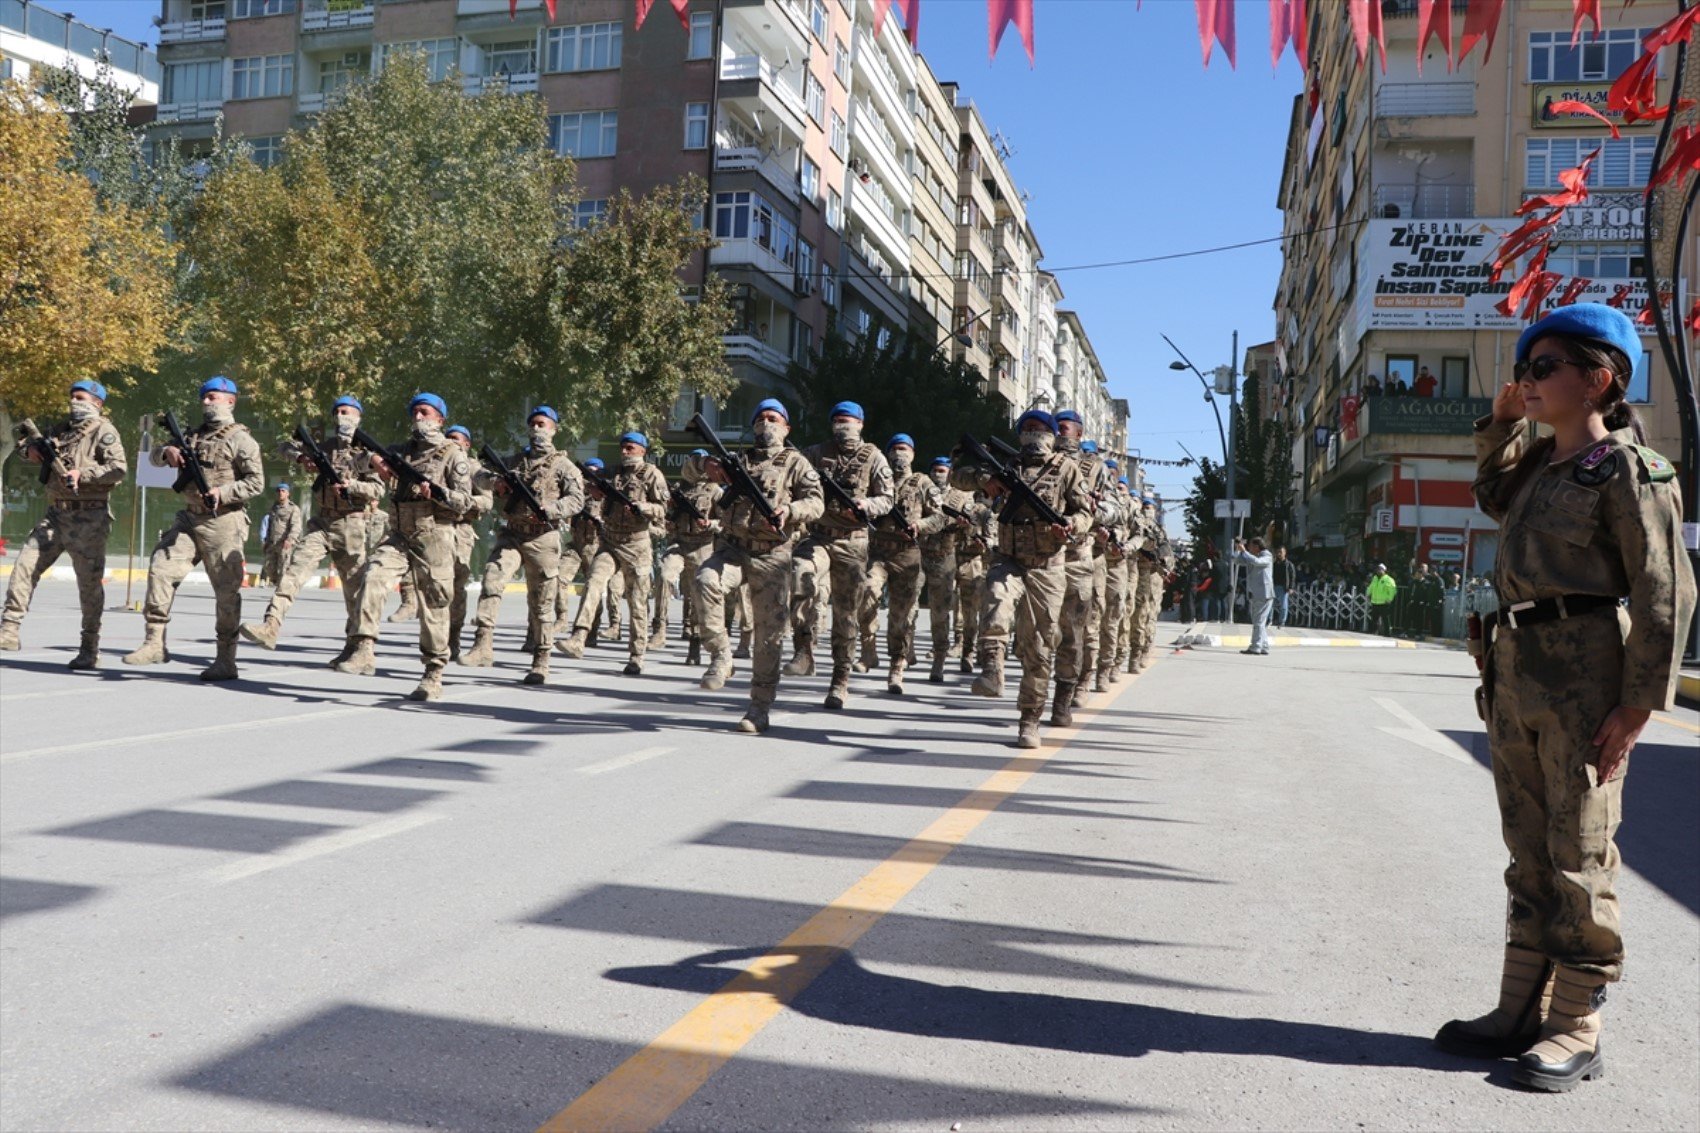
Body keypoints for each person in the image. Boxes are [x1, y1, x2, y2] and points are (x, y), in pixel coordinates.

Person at [1436, 303, 1695, 1091]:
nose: (1530, 378)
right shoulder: (1537, 470)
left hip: (1585, 669)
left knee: (1580, 851)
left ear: (1599, 379)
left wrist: (1639, 704)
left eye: (1546, 367)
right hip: (1516, 669)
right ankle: (1518, 1009)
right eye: (1526, 367)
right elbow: (1488, 490)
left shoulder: (1629, 469)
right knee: (1529, 850)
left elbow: (1664, 588)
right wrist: (1504, 418)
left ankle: (1576, 1022)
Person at [953, 409, 1093, 748]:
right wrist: (985, 482)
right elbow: (959, 478)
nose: (1033, 435)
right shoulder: (1008, 465)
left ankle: (1029, 720)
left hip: (1048, 567)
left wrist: (1072, 525)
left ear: (1051, 434)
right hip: (1008, 559)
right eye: (1026, 429)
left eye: (1039, 429)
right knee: (997, 600)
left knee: (1039, 647)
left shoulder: (1066, 469)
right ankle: (992, 671)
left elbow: (1084, 511)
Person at [333, 392, 473, 701]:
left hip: (434, 535)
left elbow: (465, 502)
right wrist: (372, 460)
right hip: (399, 532)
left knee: (434, 605)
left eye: (425, 413)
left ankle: (433, 673)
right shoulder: (400, 451)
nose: (418, 418)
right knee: (373, 576)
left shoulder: (452, 455)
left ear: (440, 419)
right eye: (415, 413)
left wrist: (436, 493)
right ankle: (364, 647)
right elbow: (353, 463)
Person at [695, 399, 824, 733]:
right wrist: (704, 466)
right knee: (705, 578)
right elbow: (693, 469)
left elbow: (816, 502)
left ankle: (759, 707)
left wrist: (790, 511)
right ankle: (721, 654)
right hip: (733, 549)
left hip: (772, 554)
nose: (766, 424)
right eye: (761, 419)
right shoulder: (737, 459)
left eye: (774, 418)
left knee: (769, 635)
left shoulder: (796, 463)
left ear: (786, 428)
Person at [123, 376, 264, 681]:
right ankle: (154, 643)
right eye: (204, 397)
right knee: (161, 567)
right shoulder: (192, 435)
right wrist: (166, 453)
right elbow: (155, 457)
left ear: (230, 401)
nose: (206, 402)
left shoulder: (242, 440)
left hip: (224, 522)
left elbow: (256, 482)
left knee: (226, 593)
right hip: (189, 518)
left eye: (212, 397)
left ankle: (226, 660)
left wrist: (222, 493)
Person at [240, 396, 384, 662]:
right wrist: (301, 458)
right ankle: (271, 625)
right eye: (338, 412)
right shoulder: (325, 447)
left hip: (352, 524)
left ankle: (359, 648)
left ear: (359, 418)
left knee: (355, 592)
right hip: (322, 522)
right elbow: (283, 446)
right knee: (294, 570)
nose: (342, 416)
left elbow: (378, 488)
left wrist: (351, 485)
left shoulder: (367, 452)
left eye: (347, 412)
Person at [0, 380, 128, 666]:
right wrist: (28, 452)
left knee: (89, 585)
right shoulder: (62, 430)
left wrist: (84, 473)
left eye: (81, 397)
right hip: (56, 514)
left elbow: (119, 467)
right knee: (25, 565)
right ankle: (9, 629)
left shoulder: (104, 432)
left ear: (97, 403)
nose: (74, 402)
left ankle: (88, 647)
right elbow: (28, 445)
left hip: (89, 517)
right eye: (71, 396)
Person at [463, 407, 585, 684]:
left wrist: (550, 508)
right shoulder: (516, 461)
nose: (536, 429)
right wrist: (498, 483)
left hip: (543, 537)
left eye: (542, 424)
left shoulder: (565, 467)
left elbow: (577, 500)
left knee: (542, 603)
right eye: (532, 424)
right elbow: (479, 477)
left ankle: (541, 659)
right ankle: (482, 645)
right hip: (513, 533)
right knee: (492, 579)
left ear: (554, 429)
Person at [789, 401, 894, 708]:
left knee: (846, 616)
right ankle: (804, 649)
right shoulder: (814, 453)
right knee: (800, 574)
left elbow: (888, 498)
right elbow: (792, 479)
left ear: (860, 424)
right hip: (819, 537)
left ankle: (840, 679)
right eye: (837, 420)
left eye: (847, 420)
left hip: (853, 543)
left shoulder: (874, 456)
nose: (842, 425)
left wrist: (867, 506)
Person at [557, 432, 668, 673]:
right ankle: (579, 637)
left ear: (642, 450)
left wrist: (643, 507)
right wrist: (595, 491)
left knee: (637, 602)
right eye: (623, 448)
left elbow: (663, 509)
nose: (625, 452)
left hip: (637, 545)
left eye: (630, 448)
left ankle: (637, 654)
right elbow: (591, 486)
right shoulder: (613, 472)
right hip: (609, 542)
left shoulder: (652, 474)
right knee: (593, 583)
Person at [859, 434, 944, 695]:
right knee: (867, 594)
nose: (899, 454)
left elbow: (939, 518)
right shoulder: (877, 480)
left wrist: (921, 525)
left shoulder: (923, 482)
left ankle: (897, 665)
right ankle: (868, 648)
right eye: (894, 449)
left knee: (901, 616)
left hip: (907, 555)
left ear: (913, 454)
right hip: (877, 552)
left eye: (904, 449)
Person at [1052, 414, 1120, 721]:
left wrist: (1095, 510)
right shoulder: (1041, 462)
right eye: (1055, 428)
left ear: (1079, 433)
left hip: (1082, 557)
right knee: (1039, 630)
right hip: (1043, 556)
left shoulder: (1095, 469)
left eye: (1063, 428)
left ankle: (1080, 683)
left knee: (1083, 629)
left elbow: (1113, 509)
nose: (1057, 433)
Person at [655, 450, 721, 665]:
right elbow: (665, 515)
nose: (696, 467)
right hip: (679, 543)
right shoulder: (680, 489)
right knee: (664, 576)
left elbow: (727, 522)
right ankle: (659, 629)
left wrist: (710, 524)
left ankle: (695, 643)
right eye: (695, 463)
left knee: (696, 597)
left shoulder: (715, 491)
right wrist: (668, 522)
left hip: (702, 547)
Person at [919, 456, 975, 683]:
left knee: (940, 612)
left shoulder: (962, 497)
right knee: (904, 607)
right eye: (935, 470)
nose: (938, 474)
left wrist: (965, 526)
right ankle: (903, 653)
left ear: (951, 473)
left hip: (946, 557)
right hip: (919, 554)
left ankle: (942, 656)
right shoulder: (922, 491)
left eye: (942, 470)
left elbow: (973, 527)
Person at [442, 425, 489, 662]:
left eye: (456, 439)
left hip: (461, 530)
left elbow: (486, 501)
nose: (451, 442)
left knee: (456, 585)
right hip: (436, 528)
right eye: (447, 437)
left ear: (467, 444)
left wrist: (462, 500)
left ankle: (453, 637)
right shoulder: (438, 461)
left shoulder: (475, 469)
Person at [1233, 535, 1275, 655]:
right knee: (1259, 621)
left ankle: (1255, 647)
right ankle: (1264, 646)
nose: (1249, 547)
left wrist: (1244, 551)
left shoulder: (1267, 555)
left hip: (1264, 594)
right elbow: (1236, 561)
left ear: (1257, 546)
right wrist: (1237, 549)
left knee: (1259, 622)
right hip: (1257, 594)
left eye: (1251, 545)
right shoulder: (1252, 556)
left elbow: (1257, 562)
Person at [258, 483, 301, 587]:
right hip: (272, 543)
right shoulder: (274, 507)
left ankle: (281, 592)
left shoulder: (293, 509)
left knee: (284, 569)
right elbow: (270, 525)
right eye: (279, 491)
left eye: (283, 491)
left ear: (288, 493)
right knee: (269, 567)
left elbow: (296, 526)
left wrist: (290, 539)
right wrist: (265, 541)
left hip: (284, 543)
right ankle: (277, 584)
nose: (280, 493)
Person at [1411, 561, 1445, 639]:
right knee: (1432, 620)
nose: (1431, 572)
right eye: (1431, 571)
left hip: (1436, 604)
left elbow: (1442, 593)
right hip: (1431, 603)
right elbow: (1419, 575)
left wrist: (1440, 602)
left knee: (1437, 621)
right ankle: (1433, 634)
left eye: (1433, 571)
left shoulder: (1439, 580)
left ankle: (1437, 635)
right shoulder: (1431, 578)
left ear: (1436, 572)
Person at [1366, 563, 1397, 635]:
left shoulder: (1389, 579)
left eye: (1380, 569)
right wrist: (1368, 593)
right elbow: (1371, 586)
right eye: (1377, 569)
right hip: (1375, 601)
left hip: (1384, 602)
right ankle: (1374, 632)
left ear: (1384, 570)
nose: (1378, 571)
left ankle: (1387, 633)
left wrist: (1389, 599)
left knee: (1385, 619)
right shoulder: (1375, 578)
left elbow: (1392, 590)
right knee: (1374, 619)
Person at [1273, 546, 1298, 627]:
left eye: (1281, 552)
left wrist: (1291, 587)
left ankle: (1282, 621)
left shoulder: (1289, 564)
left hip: (1284, 587)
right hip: (1273, 586)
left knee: (1283, 605)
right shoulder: (1274, 564)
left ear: (1285, 553)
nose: (1279, 554)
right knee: (1270, 604)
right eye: (1278, 552)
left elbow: (1292, 577)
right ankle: (1269, 620)